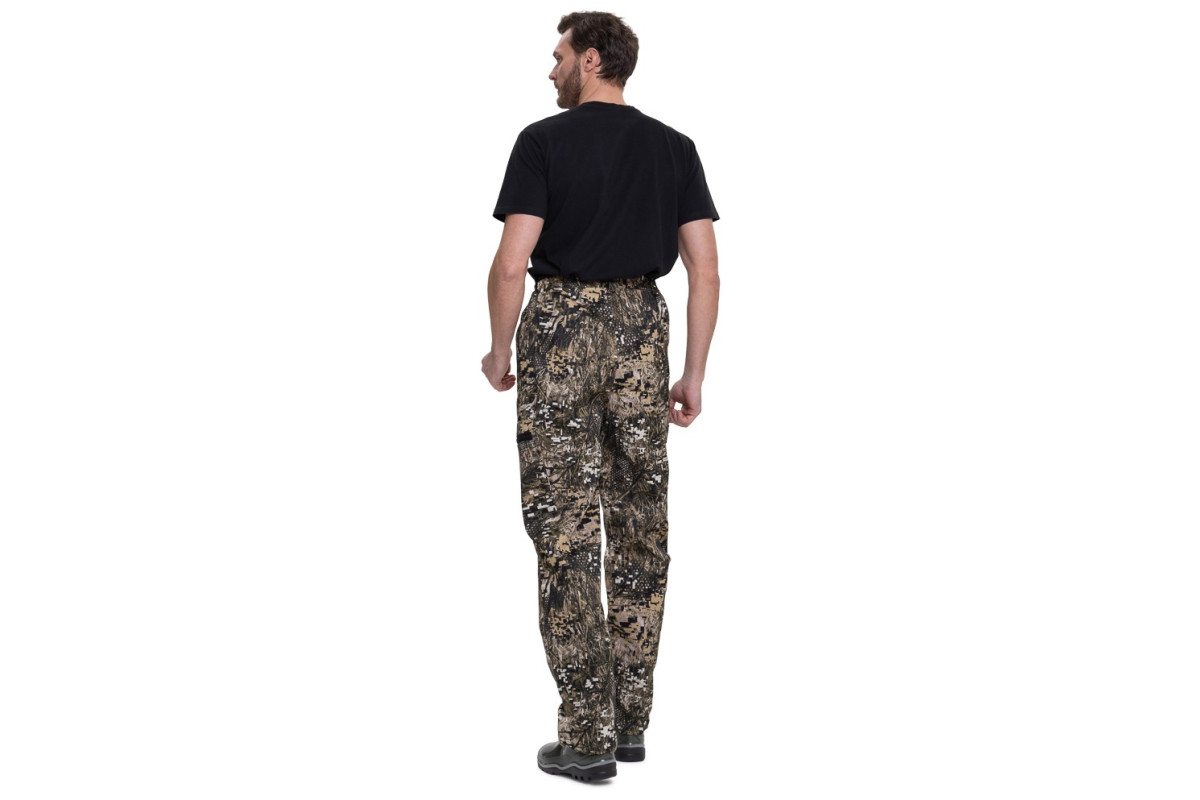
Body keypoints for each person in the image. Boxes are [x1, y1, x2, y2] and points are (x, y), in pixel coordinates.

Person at [480, 11, 720, 782]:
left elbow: (511, 263)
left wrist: (498, 349)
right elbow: (706, 270)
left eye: (557, 56)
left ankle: (586, 734)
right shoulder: (675, 148)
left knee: (567, 527)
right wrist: (693, 372)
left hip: (560, 328)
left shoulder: (542, 142)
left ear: (590, 60)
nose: (549, 70)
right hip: (644, 329)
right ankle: (630, 721)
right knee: (641, 523)